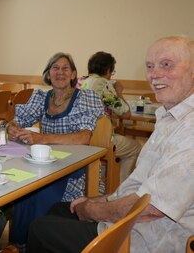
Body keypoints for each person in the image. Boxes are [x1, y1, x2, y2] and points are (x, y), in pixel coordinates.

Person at [28, 36, 194, 253]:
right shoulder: (168, 117)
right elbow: (141, 184)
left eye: (166, 64)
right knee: (56, 210)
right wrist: (103, 199)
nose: (154, 74)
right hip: (132, 217)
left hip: (145, 238)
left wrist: (94, 210)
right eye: (150, 66)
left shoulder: (189, 130)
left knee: (40, 228)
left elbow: (152, 208)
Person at [2, 52, 104, 252]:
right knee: (22, 185)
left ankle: (31, 241)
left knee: (37, 189)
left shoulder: (85, 97)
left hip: (76, 168)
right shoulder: (42, 97)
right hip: (47, 163)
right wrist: (11, 127)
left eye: (65, 68)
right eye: (55, 68)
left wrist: (42, 138)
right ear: (48, 74)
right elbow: (18, 121)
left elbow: (84, 138)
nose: (60, 72)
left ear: (74, 74)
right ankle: (21, 242)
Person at [79, 51, 142, 182]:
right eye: (111, 72)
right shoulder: (103, 84)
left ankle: (102, 181)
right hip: (97, 139)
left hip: (78, 136)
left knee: (120, 140)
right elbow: (126, 114)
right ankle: (119, 188)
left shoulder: (81, 82)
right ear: (108, 70)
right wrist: (119, 92)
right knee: (135, 147)